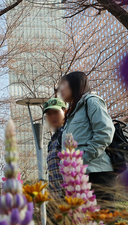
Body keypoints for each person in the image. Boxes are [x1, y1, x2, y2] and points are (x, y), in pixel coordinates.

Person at [58, 71, 116, 210]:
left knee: (105, 224)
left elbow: (105, 133)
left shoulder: (92, 101)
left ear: (75, 84)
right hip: (77, 177)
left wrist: (82, 159)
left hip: (97, 173)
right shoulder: (72, 112)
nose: (60, 89)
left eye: (63, 85)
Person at [43, 97, 67, 200]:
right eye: (49, 114)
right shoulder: (52, 141)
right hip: (55, 198)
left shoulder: (67, 133)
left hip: (69, 196)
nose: (53, 117)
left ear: (65, 112)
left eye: (56, 112)